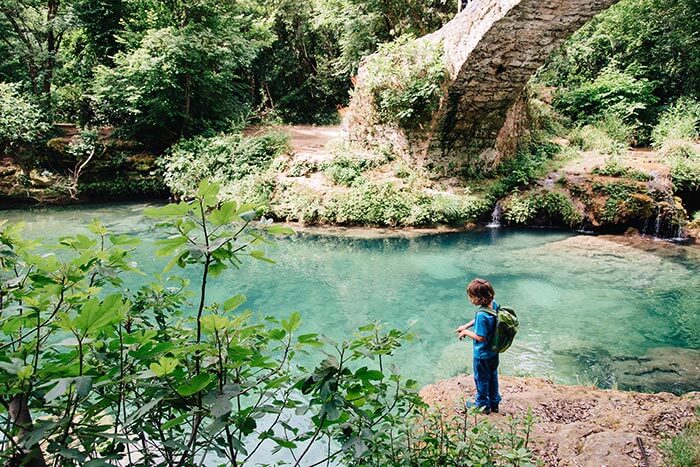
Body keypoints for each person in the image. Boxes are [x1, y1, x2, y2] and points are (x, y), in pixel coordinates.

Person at [455, 278, 501, 414]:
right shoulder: (493, 305)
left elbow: (481, 337)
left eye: (471, 296)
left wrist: (466, 332)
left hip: (482, 354)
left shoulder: (482, 314)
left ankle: (482, 405)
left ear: (479, 298)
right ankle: (494, 402)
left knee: (481, 378)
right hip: (494, 351)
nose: (470, 299)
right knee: (493, 376)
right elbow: (487, 318)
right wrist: (466, 325)